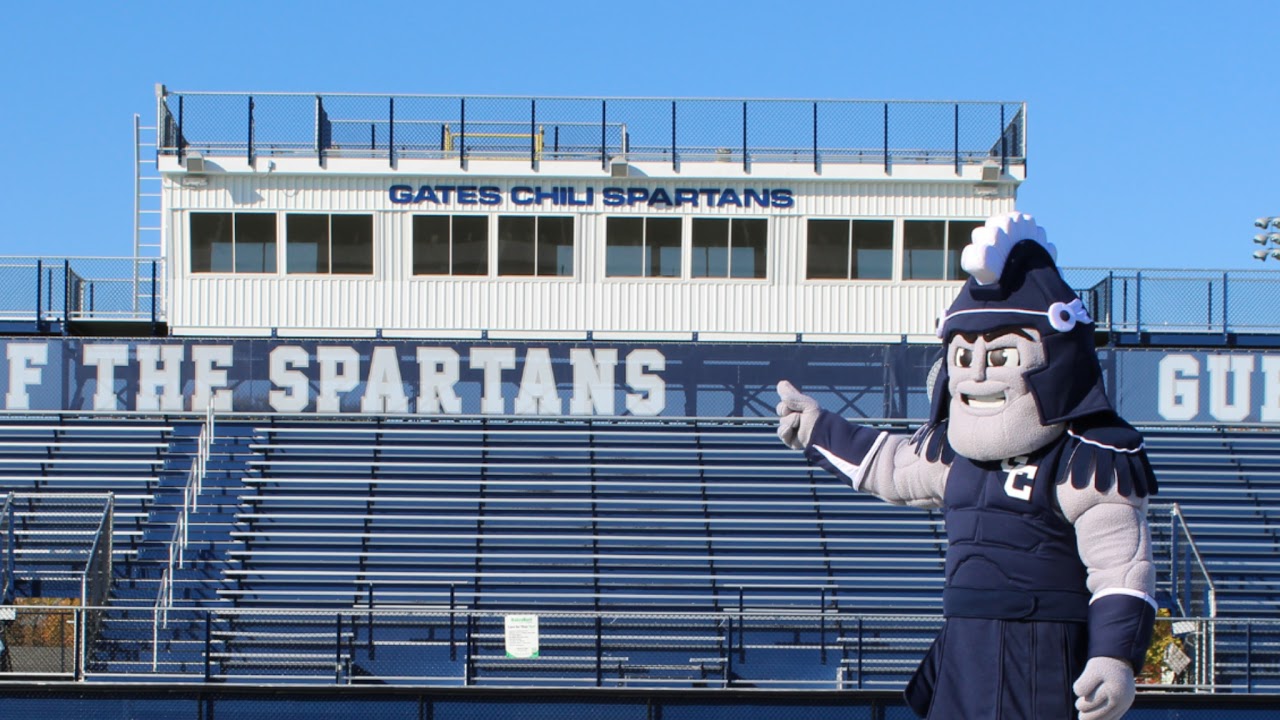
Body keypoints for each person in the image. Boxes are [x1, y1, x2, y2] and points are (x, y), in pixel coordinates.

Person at [776, 212, 1157, 720]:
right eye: (964, 357)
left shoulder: (1086, 456)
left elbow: (1121, 569)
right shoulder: (954, 452)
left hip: (1040, 649)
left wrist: (1113, 657)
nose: (977, 373)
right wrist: (818, 428)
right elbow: (887, 466)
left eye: (999, 357)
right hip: (963, 645)